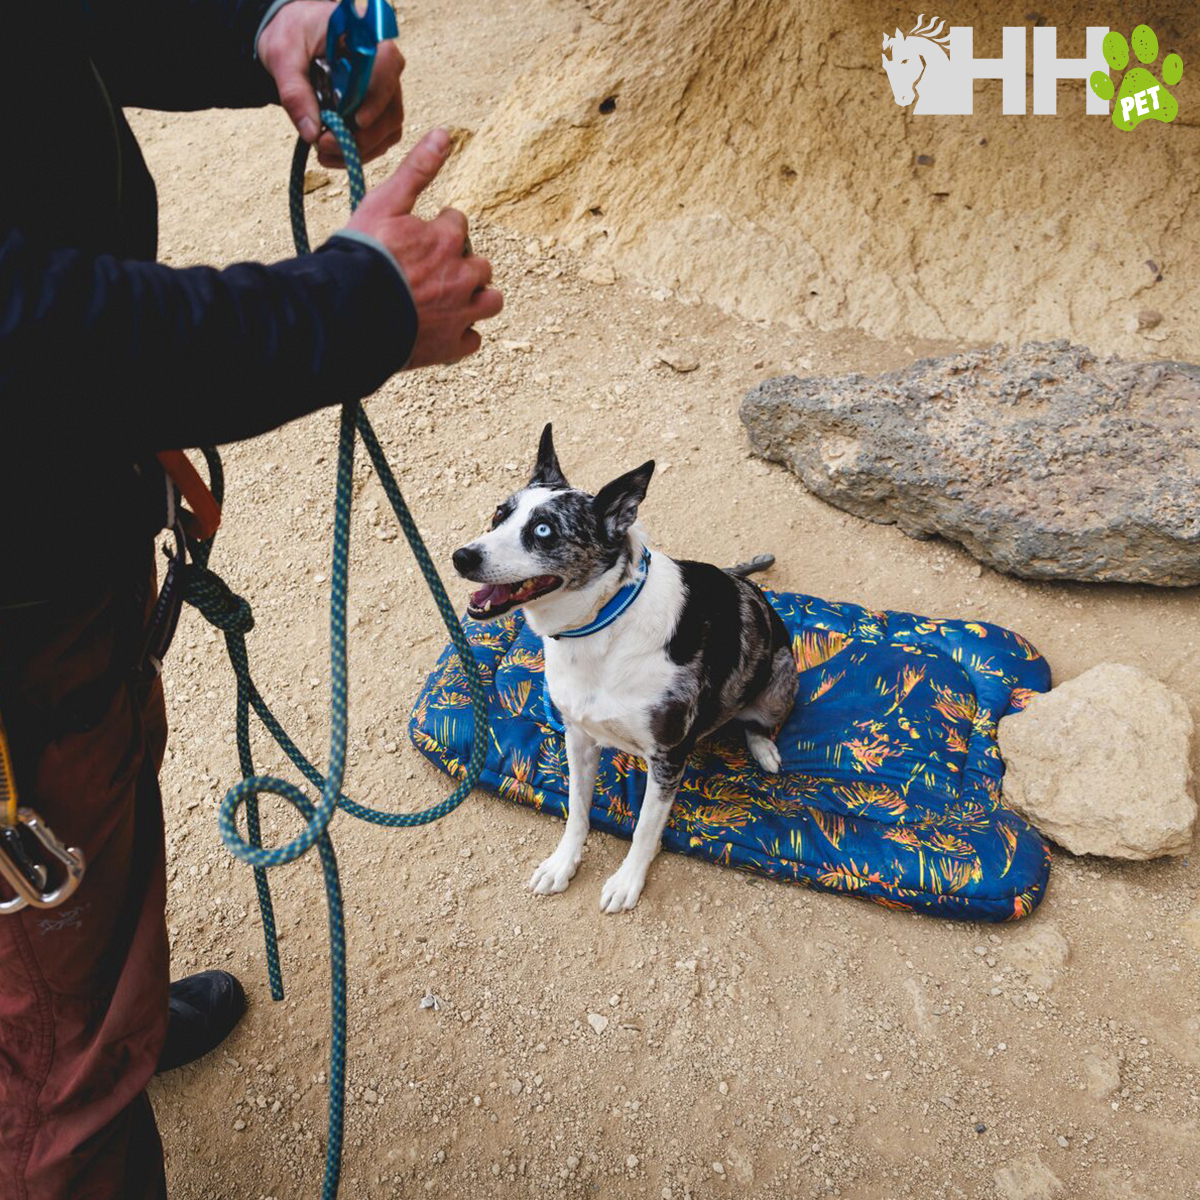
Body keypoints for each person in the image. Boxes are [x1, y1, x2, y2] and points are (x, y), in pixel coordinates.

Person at [0, 3, 502, 1197]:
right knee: (56, 1094)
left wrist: (257, 31)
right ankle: (69, 1061)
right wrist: (356, 306)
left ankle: (85, 994)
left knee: (93, 824)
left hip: (55, 536)